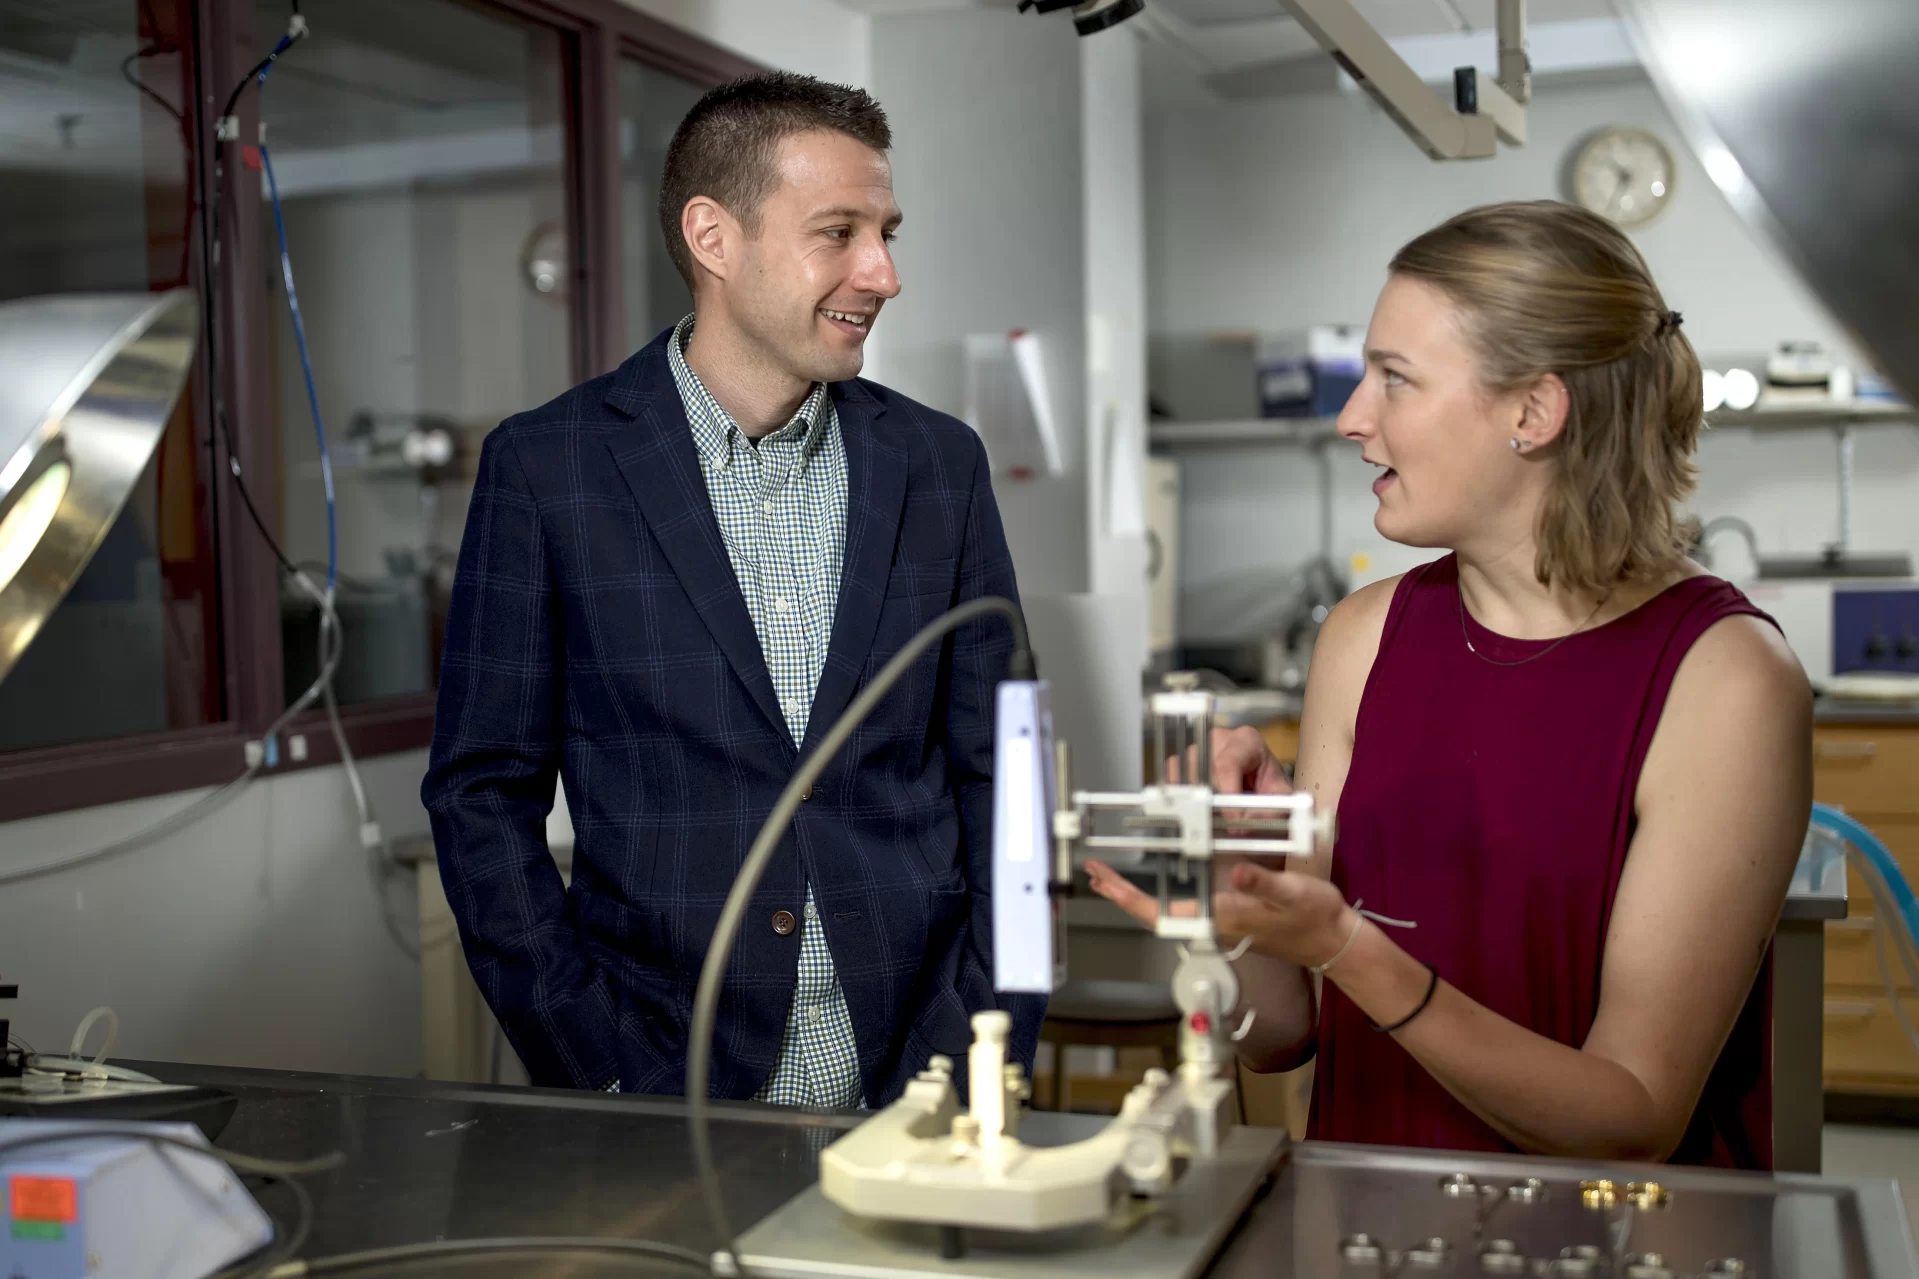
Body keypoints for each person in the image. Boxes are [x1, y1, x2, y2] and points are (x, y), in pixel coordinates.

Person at [1088, 201, 1812, 1168]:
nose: (1353, 418)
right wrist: (1238, 882)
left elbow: (1632, 1111)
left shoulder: (1722, 677)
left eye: (1394, 379)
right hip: (1368, 1228)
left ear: (1533, 411)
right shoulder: (1363, 638)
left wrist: (1349, 946)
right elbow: (1282, 1031)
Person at [423, 72, 1041, 1106]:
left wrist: (984, 1036)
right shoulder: (549, 469)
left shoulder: (939, 465)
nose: (882, 272)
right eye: (837, 232)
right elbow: (480, 798)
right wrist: (594, 1056)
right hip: (660, 1079)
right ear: (712, 237)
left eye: (886, 231)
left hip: (921, 1076)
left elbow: (1006, 773)